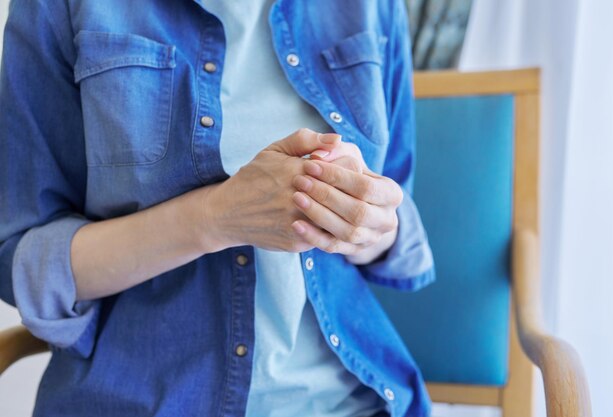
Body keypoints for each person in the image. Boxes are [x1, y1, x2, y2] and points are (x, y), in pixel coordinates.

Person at [0, 0, 435, 416]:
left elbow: (396, 213)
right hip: (143, 398)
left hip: (348, 400)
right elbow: (21, 262)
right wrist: (216, 217)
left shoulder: (374, 5)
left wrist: (359, 220)